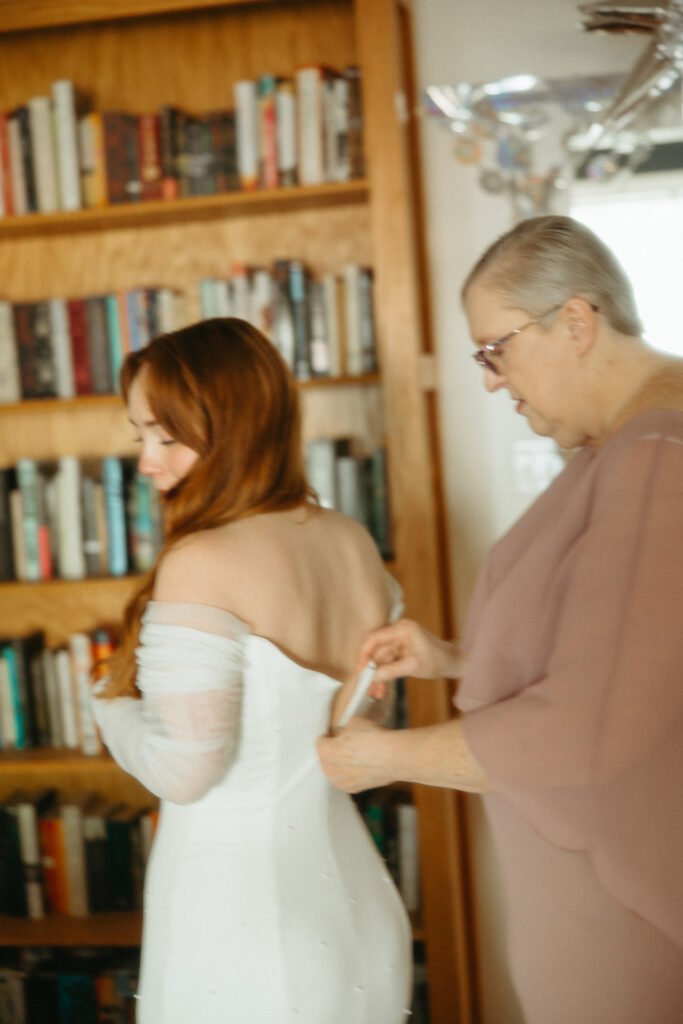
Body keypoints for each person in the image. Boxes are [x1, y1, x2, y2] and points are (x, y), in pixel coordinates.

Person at [317, 215, 683, 1024]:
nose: (489, 378)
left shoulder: (656, 455)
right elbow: (619, 645)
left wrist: (386, 758)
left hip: (627, 930)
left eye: (496, 349)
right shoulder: (612, 446)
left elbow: (591, 729)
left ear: (577, 322)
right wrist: (453, 658)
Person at [92, 317, 412, 1024]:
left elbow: (187, 772)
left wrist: (105, 706)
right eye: (139, 435)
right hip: (355, 906)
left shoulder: (203, 562)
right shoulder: (352, 541)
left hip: (239, 924)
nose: (146, 462)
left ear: (235, 427)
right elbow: (360, 730)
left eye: (165, 437)